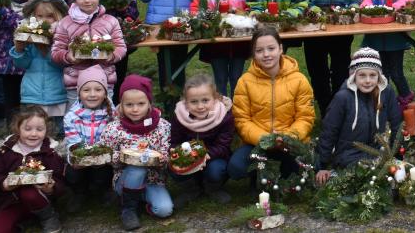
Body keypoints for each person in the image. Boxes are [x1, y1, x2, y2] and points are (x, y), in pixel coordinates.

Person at [228, 27, 316, 181]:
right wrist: (264, 139)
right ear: (253, 54)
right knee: (236, 168)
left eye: (271, 48)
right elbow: (241, 120)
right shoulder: (245, 82)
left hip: (289, 141)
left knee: (307, 168)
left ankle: (276, 174)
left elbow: (305, 117)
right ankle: (260, 174)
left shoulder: (299, 80)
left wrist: (287, 138)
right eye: (259, 50)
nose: (266, 54)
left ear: (281, 48)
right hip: (258, 142)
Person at [315, 48, 402, 186]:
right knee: (359, 181)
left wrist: (397, 155)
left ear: (379, 76)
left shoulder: (386, 93)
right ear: (353, 76)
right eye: (362, 75)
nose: (368, 81)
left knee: (390, 178)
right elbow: (329, 130)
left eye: (372, 75)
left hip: (378, 151)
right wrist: (322, 165)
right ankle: (341, 178)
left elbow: (397, 123)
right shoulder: (343, 98)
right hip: (349, 154)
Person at [101, 75, 173, 230]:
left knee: (164, 210)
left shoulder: (162, 126)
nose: (135, 109)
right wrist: (124, 157)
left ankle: (142, 202)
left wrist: (162, 159)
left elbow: (165, 152)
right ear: (121, 105)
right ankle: (128, 209)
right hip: (125, 179)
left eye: (141, 103)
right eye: (129, 104)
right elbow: (106, 154)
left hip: (153, 180)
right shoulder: (114, 129)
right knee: (137, 166)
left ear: (149, 103)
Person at [50, 0, 127, 103]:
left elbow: (121, 47)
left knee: (105, 117)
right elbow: (56, 51)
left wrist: (111, 55)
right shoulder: (65, 23)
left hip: (105, 81)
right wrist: (69, 57)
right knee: (75, 118)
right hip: (75, 82)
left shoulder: (110, 21)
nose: (87, 0)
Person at [0, 106, 66, 233]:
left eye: (39, 129)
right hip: (12, 201)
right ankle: (23, 221)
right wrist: (4, 184)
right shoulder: (7, 150)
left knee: (28, 192)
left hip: (40, 199)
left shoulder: (51, 152)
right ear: (18, 129)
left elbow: (61, 181)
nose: (33, 134)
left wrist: (51, 188)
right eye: (27, 129)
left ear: (46, 130)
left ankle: (48, 217)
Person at [360, 0, 415, 108]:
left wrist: (396, 5)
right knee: (381, 73)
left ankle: (406, 100)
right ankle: (384, 102)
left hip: (395, 38)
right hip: (375, 36)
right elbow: (366, 0)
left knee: (397, 72)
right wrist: (369, 7)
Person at [168, 73, 235, 204]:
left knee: (216, 170)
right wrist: (176, 153)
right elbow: (174, 141)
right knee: (172, 165)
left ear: (215, 98)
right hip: (188, 155)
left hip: (214, 157)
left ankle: (212, 188)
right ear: (186, 102)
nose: (200, 106)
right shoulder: (179, 117)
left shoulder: (224, 117)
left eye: (205, 100)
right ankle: (192, 189)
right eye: (193, 102)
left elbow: (223, 145)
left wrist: (204, 155)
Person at [10, 0, 69, 129]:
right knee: (33, 130)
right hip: (32, 95)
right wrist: (19, 49)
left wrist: (46, 49)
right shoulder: (29, 34)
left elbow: (62, 65)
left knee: (58, 131)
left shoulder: (63, 38)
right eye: (39, 16)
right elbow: (22, 64)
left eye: (50, 16)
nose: (44, 20)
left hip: (57, 96)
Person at [61, 65, 116, 213]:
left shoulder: (113, 115)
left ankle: (103, 190)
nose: (92, 94)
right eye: (86, 90)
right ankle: (80, 192)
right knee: (73, 173)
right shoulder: (71, 117)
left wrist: (100, 155)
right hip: (81, 158)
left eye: (98, 90)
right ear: (79, 93)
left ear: (105, 93)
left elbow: (112, 140)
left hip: (103, 158)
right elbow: (73, 142)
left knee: (103, 171)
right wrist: (80, 157)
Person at [92, 0, 139, 100]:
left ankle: (117, 105)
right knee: (96, 74)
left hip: (119, 37)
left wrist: (125, 9)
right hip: (94, 37)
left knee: (118, 75)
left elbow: (134, 13)